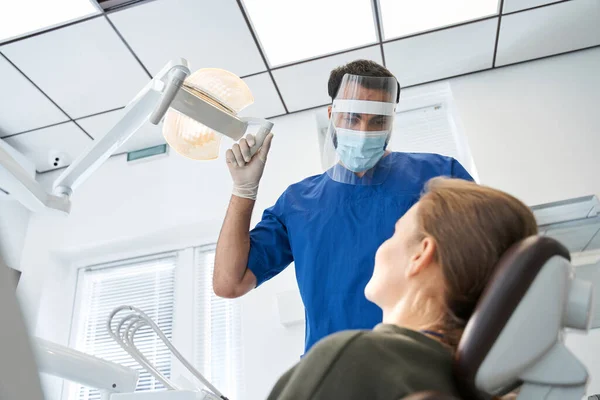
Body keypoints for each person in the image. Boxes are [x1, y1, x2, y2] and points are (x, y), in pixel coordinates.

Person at [214, 60, 474, 353]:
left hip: (425, 360)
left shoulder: (438, 174)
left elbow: (486, 258)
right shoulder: (298, 202)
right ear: (332, 116)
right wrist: (243, 190)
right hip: (332, 370)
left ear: (391, 120)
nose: (364, 131)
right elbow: (228, 283)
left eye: (378, 120)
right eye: (352, 118)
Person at [266, 178, 538, 400]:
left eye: (395, 233)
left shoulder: (356, 359)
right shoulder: (471, 385)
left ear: (420, 254)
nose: (381, 247)